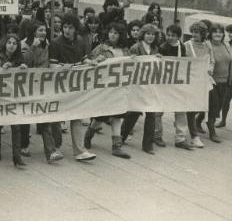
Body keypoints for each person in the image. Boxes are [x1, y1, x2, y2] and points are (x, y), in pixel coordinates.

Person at [49, 14, 97, 161]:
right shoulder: (56, 43)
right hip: (59, 86)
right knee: (56, 118)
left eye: (70, 27)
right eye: (65, 27)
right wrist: (63, 67)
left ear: (76, 29)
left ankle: (80, 151)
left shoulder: (81, 41)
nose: (67, 30)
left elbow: (83, 59)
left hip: (76, 85)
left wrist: (91, 62)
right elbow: (51, 66)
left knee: (76, 116)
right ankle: (54, 147)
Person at [83, 22, 131, 159]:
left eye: (116, 33)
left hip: (118, 88)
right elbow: (89, 60)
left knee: (117, 116)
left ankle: (117, 146)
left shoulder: (125, 51)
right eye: (111, 32)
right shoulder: (101, 48)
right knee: (100, 115)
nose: (112, 35)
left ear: (120, 35)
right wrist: (97, 60)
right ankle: (89, 135)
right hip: (104, 88)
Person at [22, 21, 64, 163]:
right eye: (40, 30)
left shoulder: (49, 45)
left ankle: (53, 148)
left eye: (44, 30)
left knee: (47, 117)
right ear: (33, 32)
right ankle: (25, 145)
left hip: (45, 86)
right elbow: (25, 63)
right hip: (28, 87)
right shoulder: (25, 45)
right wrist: (33, 48)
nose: (43, 33)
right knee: (26, 119)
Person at [121, 23, 161, 154]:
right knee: (133, 113)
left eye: (153, 34)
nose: (150, 37)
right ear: (143, 35)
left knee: (151, 114)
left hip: (150, 86)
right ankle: (121, 136)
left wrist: (159, 59)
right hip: (137, 86)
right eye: (148, 34)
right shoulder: (136, 47)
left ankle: (148, 145)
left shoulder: (155, 49)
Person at [0, 35, 27, 167]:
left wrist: (22, 68)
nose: (11, 45)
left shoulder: (20, 60)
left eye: (14, 43)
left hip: (13, 97)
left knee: (16, 126)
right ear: (5, 44)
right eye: (9, 42)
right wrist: (0, 69)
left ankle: (17, 157)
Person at [158, 24, 194, 150]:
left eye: (173, 36)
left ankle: (180, 138)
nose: (170, 37)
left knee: (180, 110)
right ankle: (157, 135)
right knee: (158, 110)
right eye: (168, 35)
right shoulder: (162, 47)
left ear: (179, 37)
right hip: (164, 83)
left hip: (177, 83)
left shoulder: (181, 46)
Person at [184, 21, 214, 147]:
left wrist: (210, 69)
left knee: (200, 106)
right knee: (191, 108)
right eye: (193, 32)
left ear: (203, 34)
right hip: (190, 81)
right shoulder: (187, 45)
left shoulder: (207, 46)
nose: (194, 34)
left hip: (203, 81)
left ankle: (187, 123)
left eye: (197, 32)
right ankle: (194, 136)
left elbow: (212, 60)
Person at [205, 23, 230, 143]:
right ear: (211, 33)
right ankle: (212, 133)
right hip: (212, 82)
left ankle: (198, 121)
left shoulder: (226, 45)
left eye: (220, 32)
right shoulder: (207, 45)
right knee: (213, 108)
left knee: (219, 106)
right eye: (215, 32)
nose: (218, 34)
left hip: (225, 82)